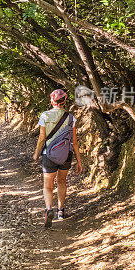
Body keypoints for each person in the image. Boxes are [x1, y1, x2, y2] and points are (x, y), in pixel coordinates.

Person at [32, 89, 82, 227]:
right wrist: (79, 160)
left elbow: (42, 138)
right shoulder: (71, 118)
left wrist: (36, 153)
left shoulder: (44, 116)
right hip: (66, 154)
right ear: (65, 101)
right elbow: (74, 141)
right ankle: (61, 211)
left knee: (48, 185)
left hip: (49, 155)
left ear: (51, 101)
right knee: (62, 182)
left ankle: (49, 210)